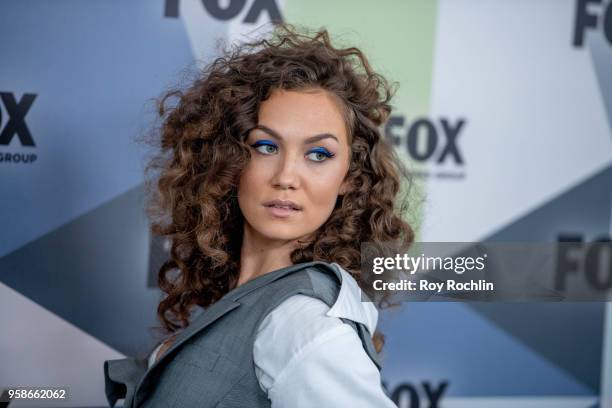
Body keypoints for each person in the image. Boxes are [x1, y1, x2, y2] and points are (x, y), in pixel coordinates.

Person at [103, 23, 414, 407]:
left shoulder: (303, 323)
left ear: (349, 178)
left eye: (318, 155)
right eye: (266, 146)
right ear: (230, 160)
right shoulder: (252, 299)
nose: (286, 177)